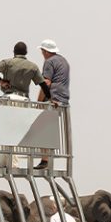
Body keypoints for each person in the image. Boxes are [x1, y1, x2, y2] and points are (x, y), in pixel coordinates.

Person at [35, 39, 70, 170]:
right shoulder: (63, 61)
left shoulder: (49, 62)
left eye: (42, 51)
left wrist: (39, 102)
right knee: (48, 128)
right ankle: (47, 159)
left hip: (52, 98)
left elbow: (46, 83)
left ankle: (45, 160)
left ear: (45, 51)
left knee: (40, 128)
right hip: (63, 99)